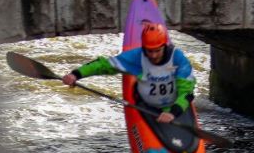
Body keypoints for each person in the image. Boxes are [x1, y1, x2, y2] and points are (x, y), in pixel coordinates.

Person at [61, 21, 195, 125]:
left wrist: (173, 113)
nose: (153, 55)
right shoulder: (136, 57)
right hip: (146, 107)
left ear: (164, 46)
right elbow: (103, 65)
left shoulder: (178, 59)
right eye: (149, 51)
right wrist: (76, 74)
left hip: (174, 107)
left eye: (157, 50)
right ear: (144, 48)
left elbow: (187, 93)